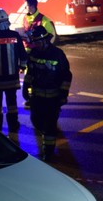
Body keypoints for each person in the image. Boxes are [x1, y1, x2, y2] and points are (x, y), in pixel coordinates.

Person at [23, 25, 71, 161]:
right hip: (37, 97)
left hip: (53, 98)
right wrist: (25, 86)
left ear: (45, 41)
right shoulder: (34, 53)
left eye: (38, 42)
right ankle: (46, 140)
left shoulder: (58, 54)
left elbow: (66, 75)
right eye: (35, 43)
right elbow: (30, 72)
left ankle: (48, 152)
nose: (36, 45)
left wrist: (63, 93)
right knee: (36, 121)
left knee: (49, 125)